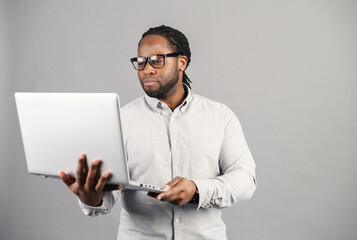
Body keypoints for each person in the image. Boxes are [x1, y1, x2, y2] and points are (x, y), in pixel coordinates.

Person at [58, 25, 257, 240]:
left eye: (157, 60)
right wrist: (91, 198)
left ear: (182, 62)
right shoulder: (121, 121)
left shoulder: (220, 116)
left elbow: (245, 180)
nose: (147, 69)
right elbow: (104, 200)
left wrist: (197, 190)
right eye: (141, 62)